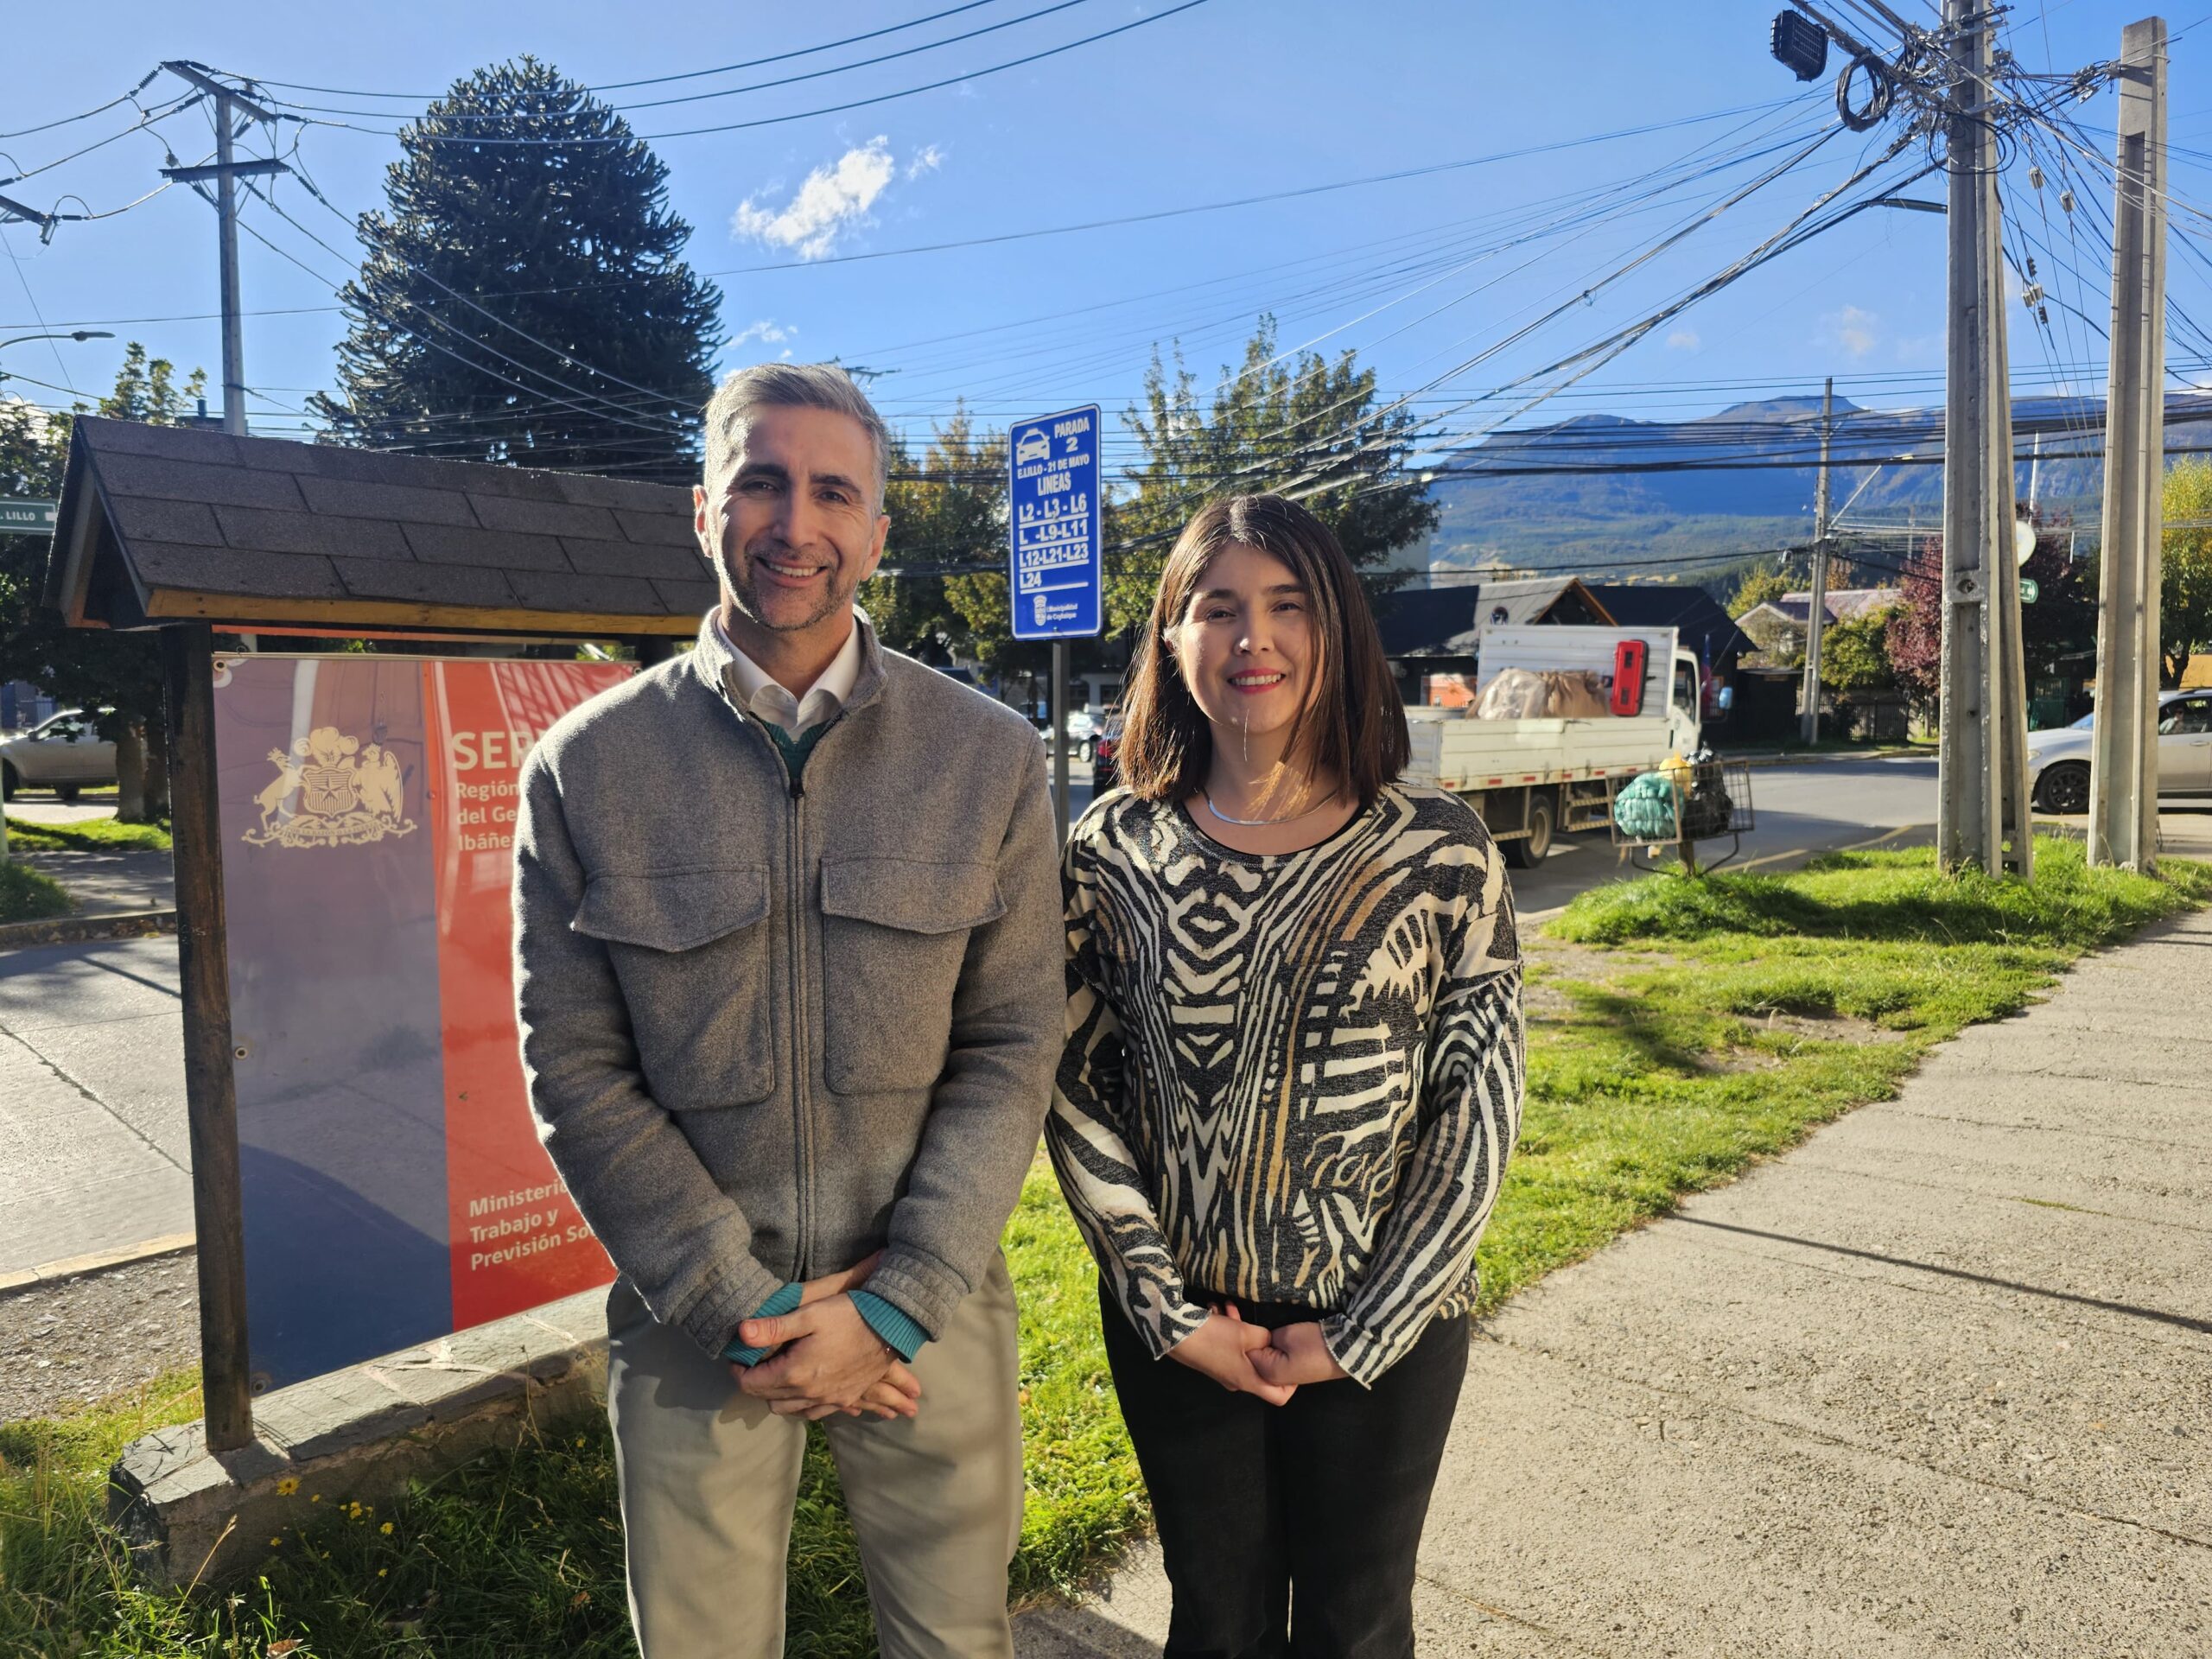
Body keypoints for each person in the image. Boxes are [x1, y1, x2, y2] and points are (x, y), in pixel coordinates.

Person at [512, 362, 1063, 1659]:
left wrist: (895, 1302)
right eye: (761, 482)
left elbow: (1013, 1040)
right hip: (694, 1311)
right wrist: (739, 1308)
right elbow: (574, 1066)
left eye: (833, 492)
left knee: (955, 1642)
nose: (795, 524)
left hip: (929, 1296)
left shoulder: (988, 757)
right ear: (704, 509)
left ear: (878, 529)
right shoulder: (586, 769)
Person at [1048, 493, 1526, 1657]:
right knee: (1216, 1624)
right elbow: (1072, 1082)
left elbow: (1478, 1104)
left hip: (1387, 1326)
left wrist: (1365, 1330)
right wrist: (1164, 1309)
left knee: (1358, 1629)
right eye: (1218, 608)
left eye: (1286, 605)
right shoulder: (1111, 850)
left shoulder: (1439, 848)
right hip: (1184, 1327)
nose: (1252, 638)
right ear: (1173, 637)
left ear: (1337, 629)